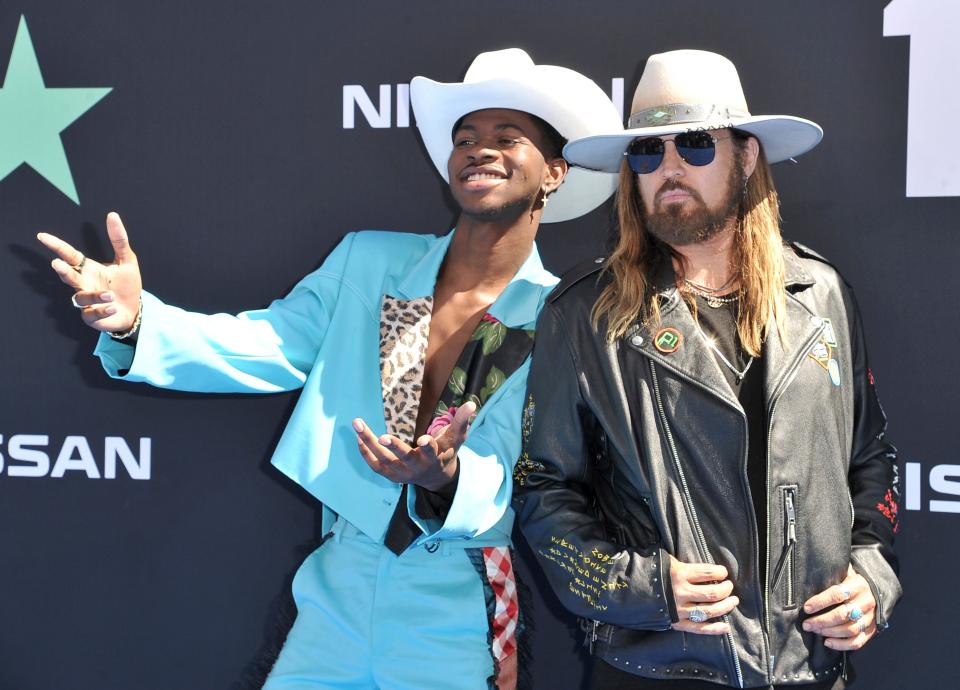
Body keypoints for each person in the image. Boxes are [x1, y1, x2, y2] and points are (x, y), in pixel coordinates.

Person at [37, 48, 621, 690]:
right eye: (465, 139)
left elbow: (537, 465)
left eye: (507, 138)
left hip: (457, 589)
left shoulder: (561, 314)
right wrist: (138, 320)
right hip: (339, 576)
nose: (479, 151)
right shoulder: (369, 263)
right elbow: (268, 344)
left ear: (554, 173)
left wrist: (448, 477)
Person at [513, 49, 901, 689]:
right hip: (659, 668)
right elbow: (543, 487)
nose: (667, 169)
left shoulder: (822, 295)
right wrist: (638, 588)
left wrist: (872, 578)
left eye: (693, 145)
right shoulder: (586, 314)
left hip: (812, 668)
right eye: (646, 153)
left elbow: (870, 458)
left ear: (746, 156)